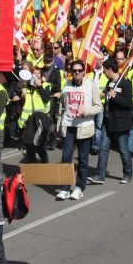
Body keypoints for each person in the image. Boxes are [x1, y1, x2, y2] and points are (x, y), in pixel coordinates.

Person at [56, 60, 103, 199]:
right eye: (74, 71)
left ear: (83, 71)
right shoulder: (67, 85)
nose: (76, 73)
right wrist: (59, 123)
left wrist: (86, 110)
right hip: (69, 125)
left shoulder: (90, 85)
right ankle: (64, 187)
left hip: (84, 127)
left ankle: (79, 187)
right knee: (66, 157)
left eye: (79, 70)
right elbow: (62, 107)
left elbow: (99, 106)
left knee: (82, 159)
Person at [89, 57, 133, 184]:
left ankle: (127, 174)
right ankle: (100, 175)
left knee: (123, 150)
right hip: (108, 120)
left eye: (104, 70)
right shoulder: (109, 83)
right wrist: (104, 94)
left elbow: (128, 103)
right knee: (103, 149)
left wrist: (116, 97)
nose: (103, 72)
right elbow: (107, 96)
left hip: (121, 122)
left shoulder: (125, 83)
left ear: (109, 70)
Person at [18, 66, 52, 163]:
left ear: (41, 76)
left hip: (41, 121)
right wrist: (20, 93)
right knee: (29, 145)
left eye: (38, 73)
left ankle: (45, 165)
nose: (36, 75)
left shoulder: (46, 85)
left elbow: (46, 98)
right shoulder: (27, 87)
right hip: (29, 121)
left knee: (40, 145)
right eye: (34, 73)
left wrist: (39, 86)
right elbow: (17, 89)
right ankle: (32, 167)